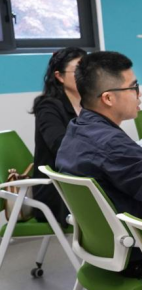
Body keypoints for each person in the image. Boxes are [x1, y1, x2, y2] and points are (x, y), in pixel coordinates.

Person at [55, 51, 142, 276]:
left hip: (104, 247)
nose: (139, 94)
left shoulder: (78, 128)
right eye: (133, 87)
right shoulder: (112, 143)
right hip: (141, 252)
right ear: (108, 98)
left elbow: (119, 167)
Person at [30, 48, 86, 225]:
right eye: (78, 70)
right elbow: (61, 146)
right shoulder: (48, 106)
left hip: (85, 179)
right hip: (57, 189)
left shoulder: (91, 103)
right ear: (59, 76)